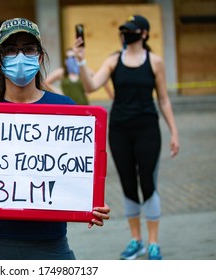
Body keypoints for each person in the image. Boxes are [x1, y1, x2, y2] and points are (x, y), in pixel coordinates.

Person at [0, 17, 110, 260]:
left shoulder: (67, 111)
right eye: (11, 50)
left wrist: (92, 202)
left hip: (49, 242)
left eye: (28, 48)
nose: (20, 56)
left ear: (39, 56)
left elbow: (79, 175)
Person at [77, 15, 180, 260]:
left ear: (144, 33)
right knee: (127, 185)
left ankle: (153, 242)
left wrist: (174, 132)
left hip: (147, 129)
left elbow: (164, 99)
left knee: (148, 183)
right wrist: (81, 62)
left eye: (131, 30)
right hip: (120, 130)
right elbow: (91, 86)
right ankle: (136, 241)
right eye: (123, 30)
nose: (126, 34)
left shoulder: (155, 62)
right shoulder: (114, 60)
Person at [45, 47, 114, 104]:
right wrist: (58, 92)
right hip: (67, 106)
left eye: (73, 57)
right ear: (65, 61)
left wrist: (111, 95)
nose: (71, 59)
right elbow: (45, 82)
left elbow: (102, 80)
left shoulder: (83, 71)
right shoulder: (62, 72)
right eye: (68, 57)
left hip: (83, 106)